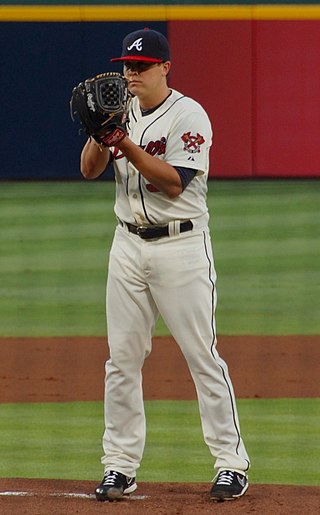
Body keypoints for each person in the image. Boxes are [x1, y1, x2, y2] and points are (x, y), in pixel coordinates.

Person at [80, 28, 250, 503]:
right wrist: (100, 134)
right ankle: (119, 466)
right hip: (127, 247)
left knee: (202, 357)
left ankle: (232, 464)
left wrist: (124, 143)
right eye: (128, 66)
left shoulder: (189, 115)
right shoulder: (120, 108)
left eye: (141, 67)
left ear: (165, 68)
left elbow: (175, 182)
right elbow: (89, 169)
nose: (131, 74)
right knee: (122, 361)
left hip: (181, 248)